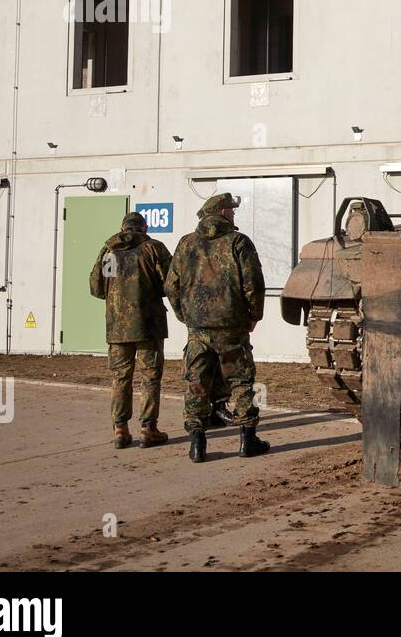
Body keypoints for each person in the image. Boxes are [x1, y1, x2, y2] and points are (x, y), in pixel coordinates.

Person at [164, 193, 269, 463]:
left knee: (196, 383)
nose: (234, 214)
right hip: (231, 326)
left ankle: (197, 445)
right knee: (242, 381)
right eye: (231, 210)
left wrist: (184, 316)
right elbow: (253, 284)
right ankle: (248, 440)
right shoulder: (238, 242)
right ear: (222, 212)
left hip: (198, 328)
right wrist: (253, 315)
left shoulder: (186, 244)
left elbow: (170, 286)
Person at [89, 212, 171, 449]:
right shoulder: (153, 248)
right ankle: (148, 428)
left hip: (117, 329)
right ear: (143, 229)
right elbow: (170, 282)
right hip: (148, 326)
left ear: (123, 228)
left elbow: (96, 287)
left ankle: (120, 430)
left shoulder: (110, 251)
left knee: (120, 378)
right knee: (150, 377)